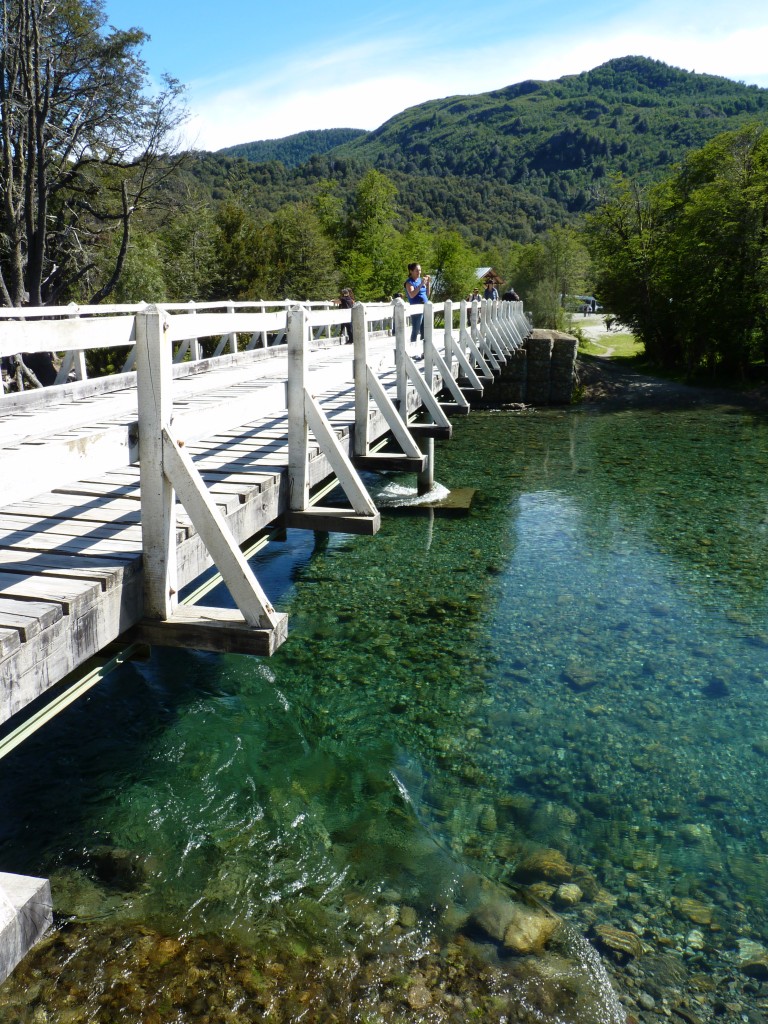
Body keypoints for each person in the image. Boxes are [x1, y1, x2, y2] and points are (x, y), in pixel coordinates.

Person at [404, 262, 430, 342]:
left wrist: (428, 284)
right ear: (411, 271)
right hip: (416, 308)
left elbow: (427, 294)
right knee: (416, 330)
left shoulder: (419, 280)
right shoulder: (409, 282)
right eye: (417, 270)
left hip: (425, 307)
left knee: (424, 331)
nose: (419, 272)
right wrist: (422, 283)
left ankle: (424, 351)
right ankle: (413, 351)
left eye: (420, 270)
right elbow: (412, 294)